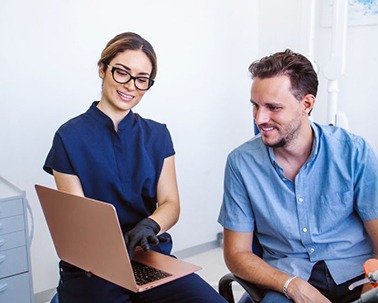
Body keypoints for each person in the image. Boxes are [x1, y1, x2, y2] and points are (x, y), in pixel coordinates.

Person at [43, 32, 227, 303]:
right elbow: (78, 224)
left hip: (148, 259)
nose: (130, 86)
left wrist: (151, 225)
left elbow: (170, 204)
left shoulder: (158, 135)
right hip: (93, 269)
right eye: (122, 73)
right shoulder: (69, 137)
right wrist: (112, 254)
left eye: (142, 79)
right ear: (102, 69)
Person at [218, 49, 378, 303]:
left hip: (358, 277)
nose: (260, 118)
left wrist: (374, 285)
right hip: (287, 278)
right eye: (255, 106)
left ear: (307, 104)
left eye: (273, 107)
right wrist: (292, 286)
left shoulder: (352, 152)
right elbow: (236, 254)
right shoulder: (241, 163)